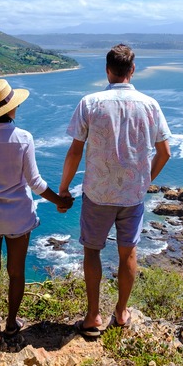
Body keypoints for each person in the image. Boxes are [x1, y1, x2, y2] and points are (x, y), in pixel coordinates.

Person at [59, 44, 171, 337]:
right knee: (128, 254)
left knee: (92, 251)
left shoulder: (90, 103)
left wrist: (63, 189)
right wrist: (145, 181)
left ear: (107, 70)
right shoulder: (150, 105)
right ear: (132, 70)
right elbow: (165, 153)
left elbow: (74, 152)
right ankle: (121, 312)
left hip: (98, 193)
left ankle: (93, 316)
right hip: (132, 196)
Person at [0, 79, 73, 348]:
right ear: (11, 108)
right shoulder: (23, 139)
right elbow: (35, 183)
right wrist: (60, 200)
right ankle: (12, 325)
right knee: (16, 271)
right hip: (18, 217)